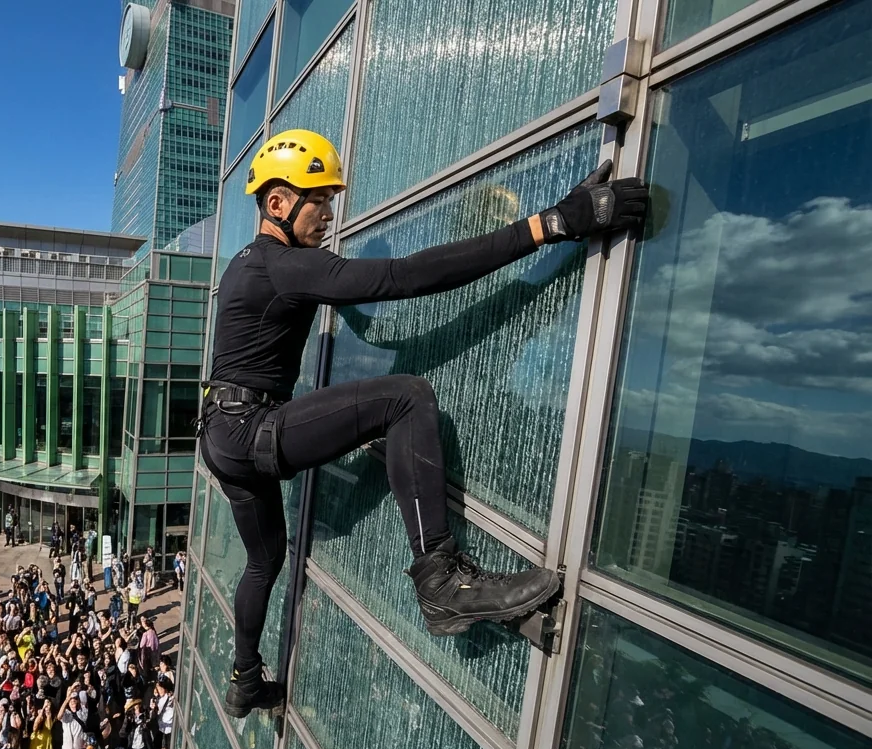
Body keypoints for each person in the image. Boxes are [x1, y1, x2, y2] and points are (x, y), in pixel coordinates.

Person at [200, 129, 648, 717]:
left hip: (219, 434)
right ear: (278, 204)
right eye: (320, 201)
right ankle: (441, 585)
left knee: (265, 561)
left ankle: (244, 679)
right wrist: (551, 224)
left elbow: (343, 301)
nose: (330, 216)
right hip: (249, 427)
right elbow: (405, 278)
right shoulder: (284, 264)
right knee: (406, 399)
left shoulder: (251, 264)